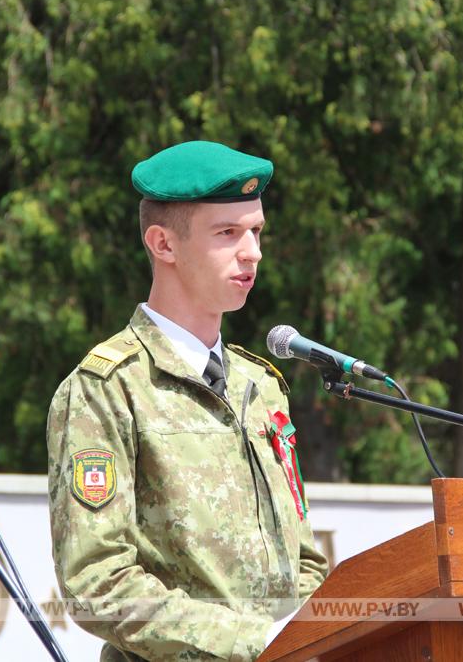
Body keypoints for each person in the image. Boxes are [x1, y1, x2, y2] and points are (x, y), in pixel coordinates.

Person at [47, 140, 329, 661]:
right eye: (228, 233)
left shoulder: (261, 385)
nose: (253, 252)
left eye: (257, 231)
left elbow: (303, 559)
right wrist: (252, 645)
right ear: (164, 244)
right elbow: (97, 584)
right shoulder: (107, 389)